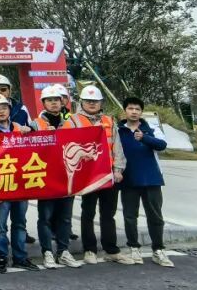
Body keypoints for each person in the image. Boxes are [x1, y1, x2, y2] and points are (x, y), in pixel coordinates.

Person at [72, 85, 131, 265]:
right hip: (87, 176)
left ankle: (111, 250)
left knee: (108, 214)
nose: (92, 104)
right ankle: (89, 250)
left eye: (95, 101)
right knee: (88, 212)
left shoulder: (109, 121)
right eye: (88, 101)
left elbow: (117, 147)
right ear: (82, 102)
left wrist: (118, 169)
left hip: (108, 175)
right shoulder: (73, 121)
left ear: (101, 103)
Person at [0, 92, 38, 273]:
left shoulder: (19, 128)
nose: (1, 111)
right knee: (0, 225)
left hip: (20, 183)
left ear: (9, 109)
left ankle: (20, 258)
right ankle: (1, 257)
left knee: (20, 223)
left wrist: (31, 131)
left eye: (4, 107)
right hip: (0, 185)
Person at [119, 97, 173, 267]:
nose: (134, 112)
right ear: (125, 111)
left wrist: (144, 138)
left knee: (155, 216)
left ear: (141, 112)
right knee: (130, 217)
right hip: (128, 179)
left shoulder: (151, 128)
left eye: (137, 109)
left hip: (151, 179)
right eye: (130, 108)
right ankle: (134, 248)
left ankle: (158, 250)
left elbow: (162, 145)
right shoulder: (118, 130)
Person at [32, 85, 83, 269]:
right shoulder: (35, 124)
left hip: (66, 176)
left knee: (65, 218)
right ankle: (47, 252)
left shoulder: (71, 122)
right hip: (45, 176)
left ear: (62, 102)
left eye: (56, 100)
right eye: (49, 100)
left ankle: (63, 251)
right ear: (43, 103)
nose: (54, 103)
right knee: (45, 217)